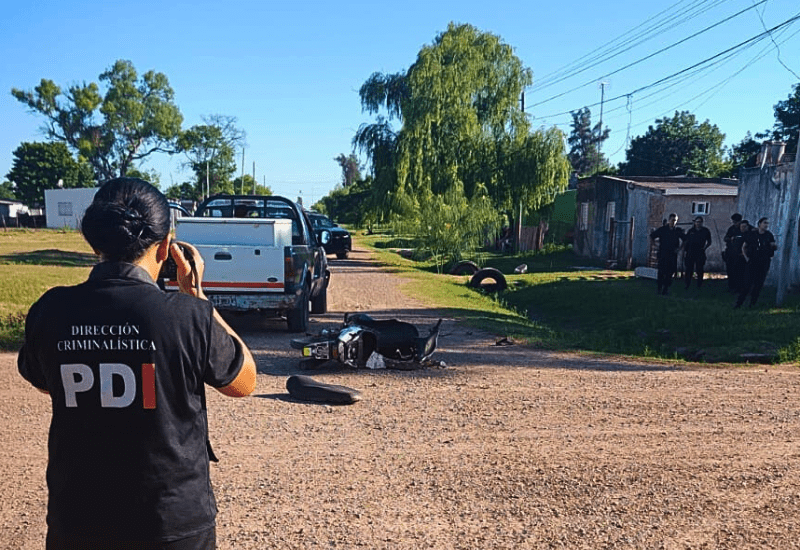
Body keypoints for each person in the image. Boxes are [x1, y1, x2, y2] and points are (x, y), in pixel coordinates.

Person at [17, 177, 257, 549]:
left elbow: (46, 380)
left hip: (78, 516)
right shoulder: (188, 315)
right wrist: (198, 296)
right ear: (166, 247)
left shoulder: (51, 309)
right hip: (170, 520)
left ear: (93, 241)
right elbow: (243, 383)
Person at [735, 217, 778, 308]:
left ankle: (752, 304)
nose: (766, 225)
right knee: (747, 283)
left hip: (763, 262)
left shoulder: (769, 235)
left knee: (758, 284)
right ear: (759, 224)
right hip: (753, 261)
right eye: (764, 223)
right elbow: (744, 247)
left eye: (767, 223)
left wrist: (773, 246)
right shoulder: (752, 234)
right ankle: (739, 303)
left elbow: (773, 246)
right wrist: (747, 258)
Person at [649, 213, 684, 295]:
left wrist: (679, 249)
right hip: (663, 253)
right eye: (672, 220)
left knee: (670, 272)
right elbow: (652, 236)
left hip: (672, 254)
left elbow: (685, 239)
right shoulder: (663, 229)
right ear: (669, 220)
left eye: (675, 221)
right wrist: (655, 245)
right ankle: (659, 288)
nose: (673, 222)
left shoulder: (677, 231)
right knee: (661, 272)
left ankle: (666, 288)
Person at [682, 216, 712, 289]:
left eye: (699, 222)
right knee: (689, 269)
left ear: (702, 223)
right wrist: (685, 251)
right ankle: (687, 284)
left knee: (700, 269)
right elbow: (686, 241)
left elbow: (709, 241)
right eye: (697, 222)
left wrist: (705, 248)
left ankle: (699, 284)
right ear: (694, 222)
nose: (698, 223)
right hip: (690, 252)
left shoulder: (705, 231)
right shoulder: (691, 231)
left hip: (700, 252)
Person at [723, 213, 743, 291]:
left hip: (740, 253)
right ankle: (731, 287)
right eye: (734, 222)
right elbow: (725, 238)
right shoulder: (732, 229)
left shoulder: (744, 228)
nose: (735, 224)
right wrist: (730, 238)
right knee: (730, 271)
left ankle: (739, 288)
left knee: (739, 272)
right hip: (731, 253)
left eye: (736, 222)